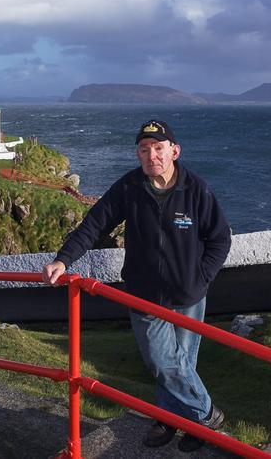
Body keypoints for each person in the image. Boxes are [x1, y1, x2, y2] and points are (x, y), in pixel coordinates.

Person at [42, 119, 231, 452]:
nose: (151, 155)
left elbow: (219, 239)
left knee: (181, 365)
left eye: (158, 148)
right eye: (144, 150)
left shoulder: (196, 190)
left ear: (174, 151)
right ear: (138, 154)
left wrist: (200, 278)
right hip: (145, 295)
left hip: (189, 295)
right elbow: (94, 224)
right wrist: (63, 259)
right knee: (163, 362)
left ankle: (171, 420)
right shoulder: (129, 187)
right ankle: (208, 416)